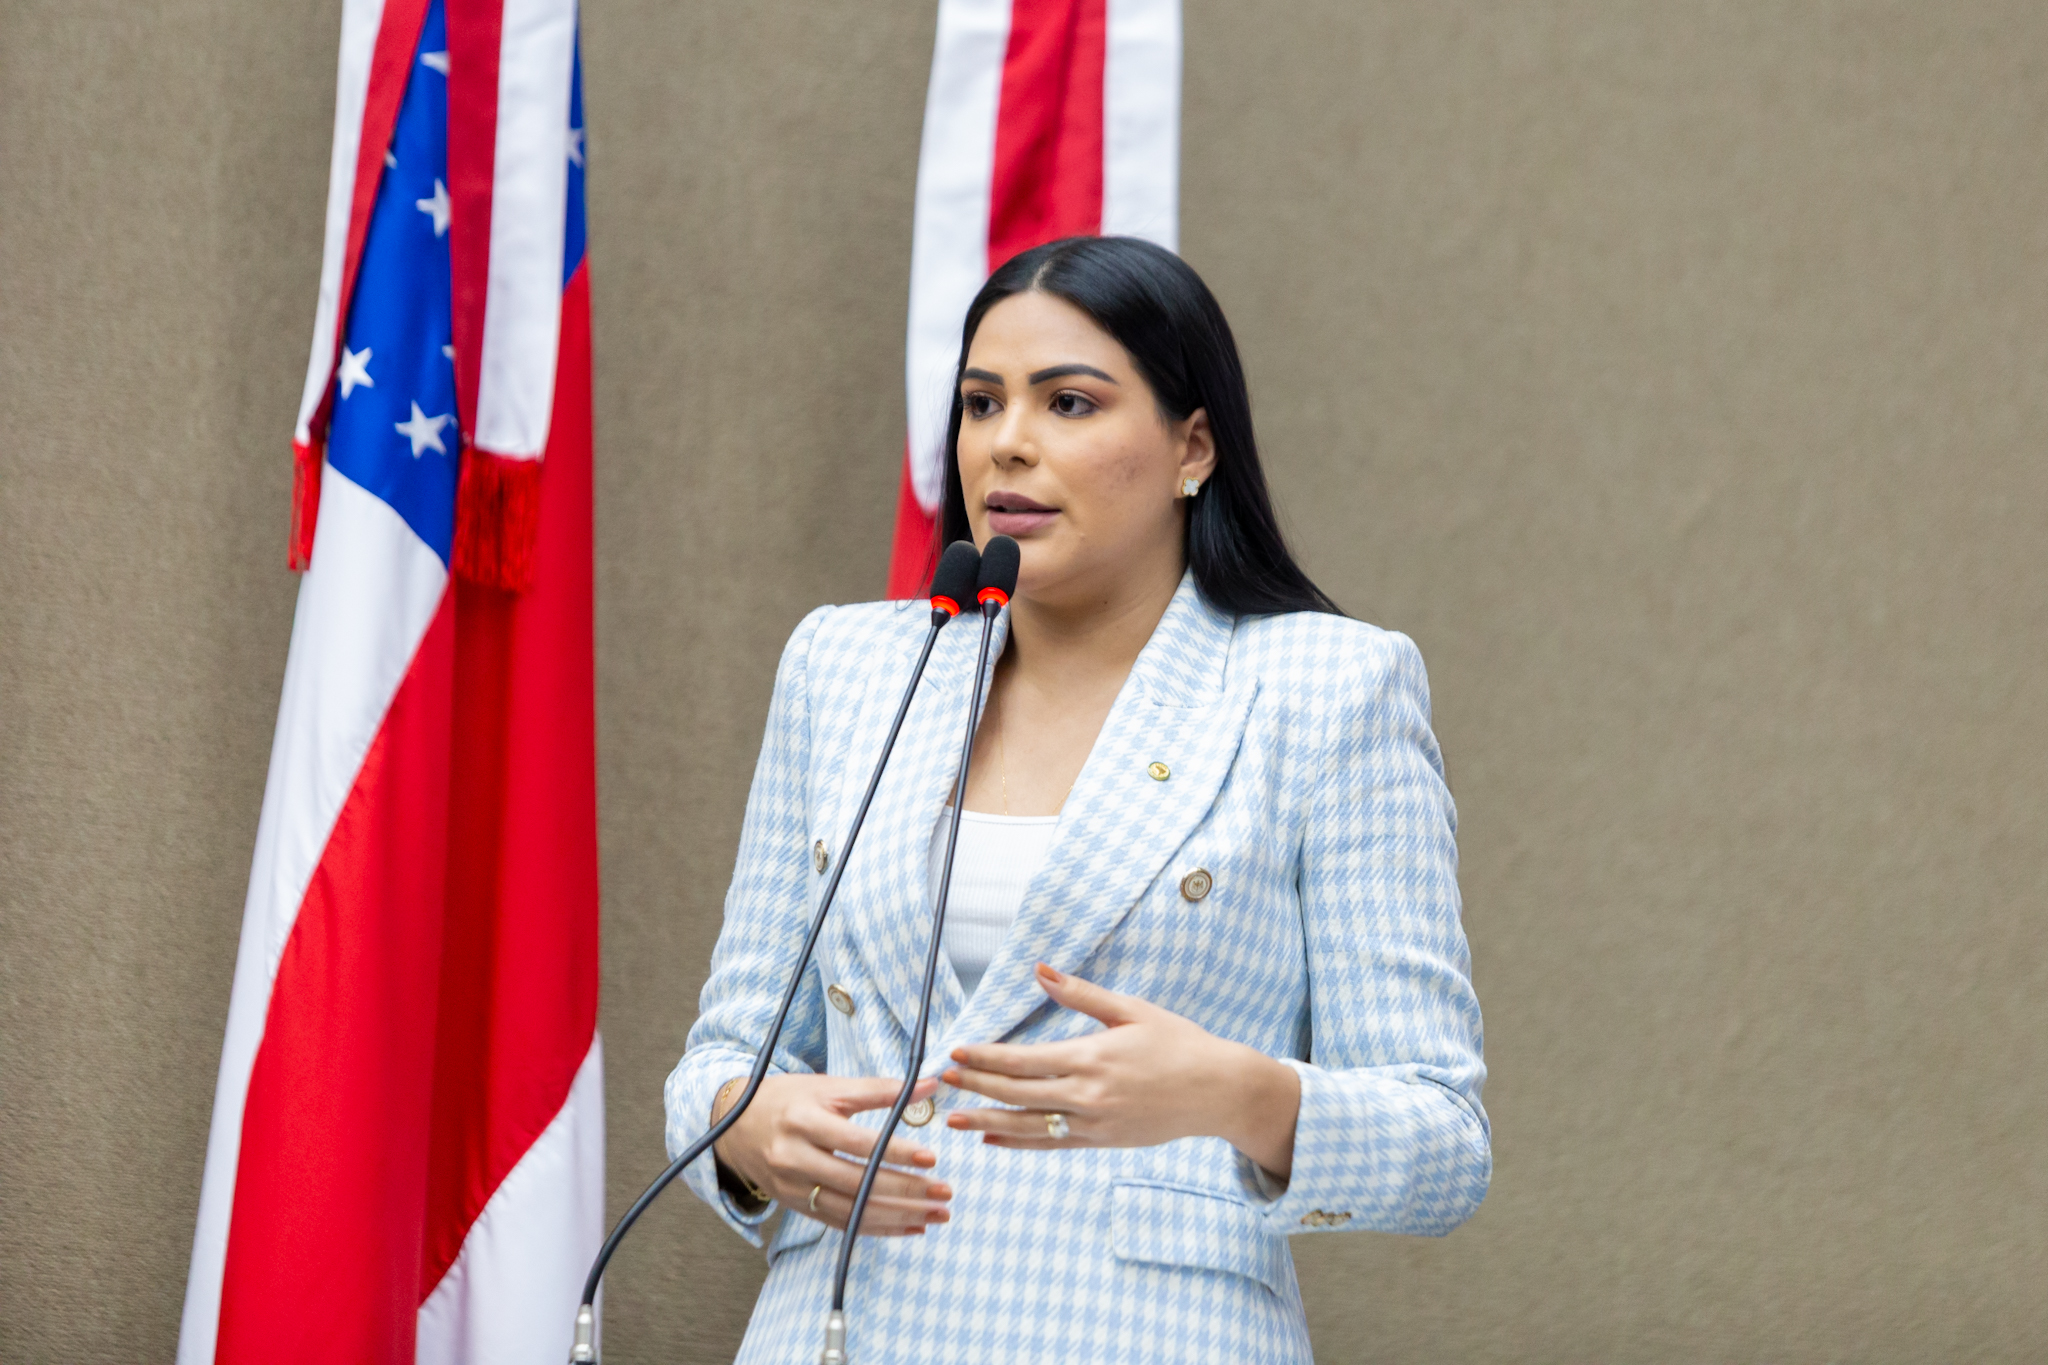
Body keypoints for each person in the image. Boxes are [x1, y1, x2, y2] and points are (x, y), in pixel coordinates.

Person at [663, 236, 1489, 1363]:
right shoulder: (847, 669)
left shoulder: (1325, 689)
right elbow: (727, 1051)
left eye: (1067, 403)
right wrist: (740, 1124)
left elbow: (1442, 1142)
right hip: (841, 1329)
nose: (1007, 443)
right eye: (980, 402)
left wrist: (1235, 1094)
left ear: (1192, 444)